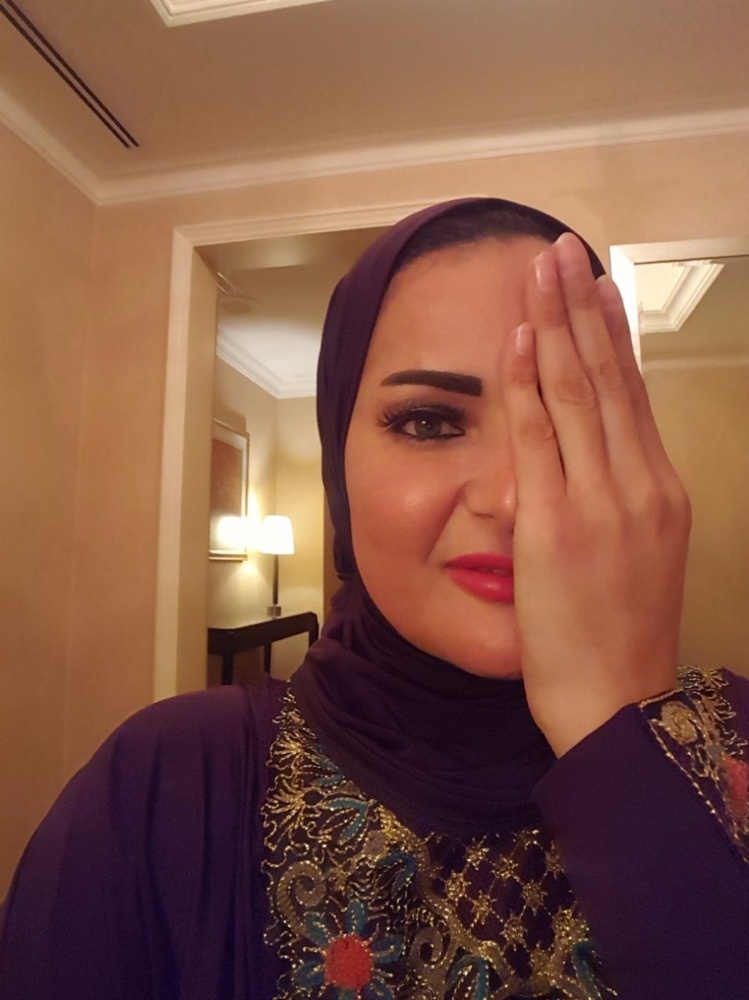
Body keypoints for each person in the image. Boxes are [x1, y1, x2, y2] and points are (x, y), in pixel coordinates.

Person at [1, 198, 748, 1000]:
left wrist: (624, 738)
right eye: (428, 422)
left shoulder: (736, 734)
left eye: (565, 425)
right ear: (338, 469)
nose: (512, 499)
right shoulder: (167, 780)